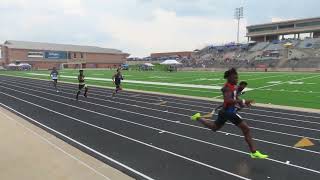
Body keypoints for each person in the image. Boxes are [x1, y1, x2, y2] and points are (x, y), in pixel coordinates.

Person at [191, 68, 268, 159]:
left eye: (237, 78)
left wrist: (240, 90)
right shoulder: (226, 88)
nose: (237, 80)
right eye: (235, 78)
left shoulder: (233, 86)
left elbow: (235, 94)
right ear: (229, 78)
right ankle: (254, 152)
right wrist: (243, 101)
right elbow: (228, 100)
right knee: (246, 129)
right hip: (228, 112)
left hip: (225, 112)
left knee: (214, 127)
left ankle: (198, 117)